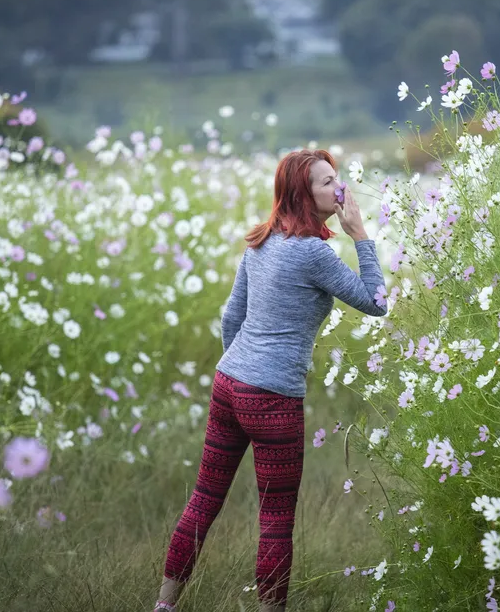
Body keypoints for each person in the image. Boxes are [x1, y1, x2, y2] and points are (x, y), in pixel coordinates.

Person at [154, 149, 388, 612]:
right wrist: (360, 234)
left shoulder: (261, 242)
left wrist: (242, 371)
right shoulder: (313, 254)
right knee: (276, 520)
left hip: (229, 383)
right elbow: (376, 301)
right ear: (304, 194)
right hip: (272, 398)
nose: (339, 189)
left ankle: (164, 605)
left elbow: (230, 318)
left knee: (204, 500)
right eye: (327, 183)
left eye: (336, 179)